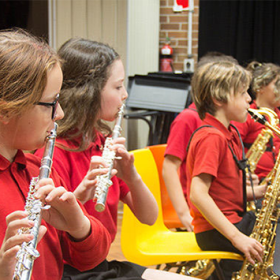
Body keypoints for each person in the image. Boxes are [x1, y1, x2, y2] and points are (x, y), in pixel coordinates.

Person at [34, 38, 161, 279]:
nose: (124, 95)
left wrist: (132, 177)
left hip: (99, 264)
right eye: (117, 87)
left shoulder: (101, 143)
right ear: (89, 93)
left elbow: (149, 217)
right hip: (68, 271)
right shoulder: (52, 153)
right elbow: (49, 238)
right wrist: (80, 196)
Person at [0, 29, 111, 280]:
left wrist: (78, 225)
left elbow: (91, 259)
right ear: (6, 110)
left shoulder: (36, 171)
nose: (59, 113)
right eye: (51, 103)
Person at [186, 61, 266, 279]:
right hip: (217, 231)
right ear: (219, 99)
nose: (250, 99)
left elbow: (221, 193)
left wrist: (256, 193)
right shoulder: (211, 137)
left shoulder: (227, 133)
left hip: (229, 221)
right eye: (242, 93)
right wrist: (236, 237)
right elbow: (198, 194)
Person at [162, 53, 239, 231]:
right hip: (197, 208)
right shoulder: (187, 119)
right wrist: (183, 214)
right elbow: (169, 167)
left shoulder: (224, 122)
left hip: (218, 204)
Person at [232, 61, 280, 182]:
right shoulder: (246, 114)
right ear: (261, 87)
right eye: (277, 85)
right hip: (255, 184)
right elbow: (233, 148)